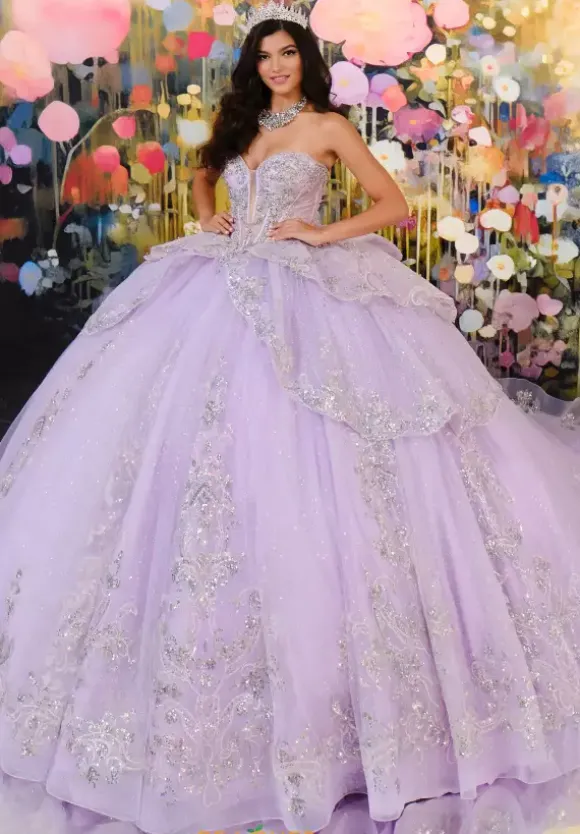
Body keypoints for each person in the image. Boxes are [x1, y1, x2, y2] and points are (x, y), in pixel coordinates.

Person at [1, 3, 580, 833]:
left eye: (287, 54)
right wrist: (207, 211)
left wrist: (320, 234)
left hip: (303, 290)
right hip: (215, 283)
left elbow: (392, 206)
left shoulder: (329, 127)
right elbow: (206, 178)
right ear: (255, 66)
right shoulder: (241, 124)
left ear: (305, 59)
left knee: (321, 455)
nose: (276, 66)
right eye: (265, 56)